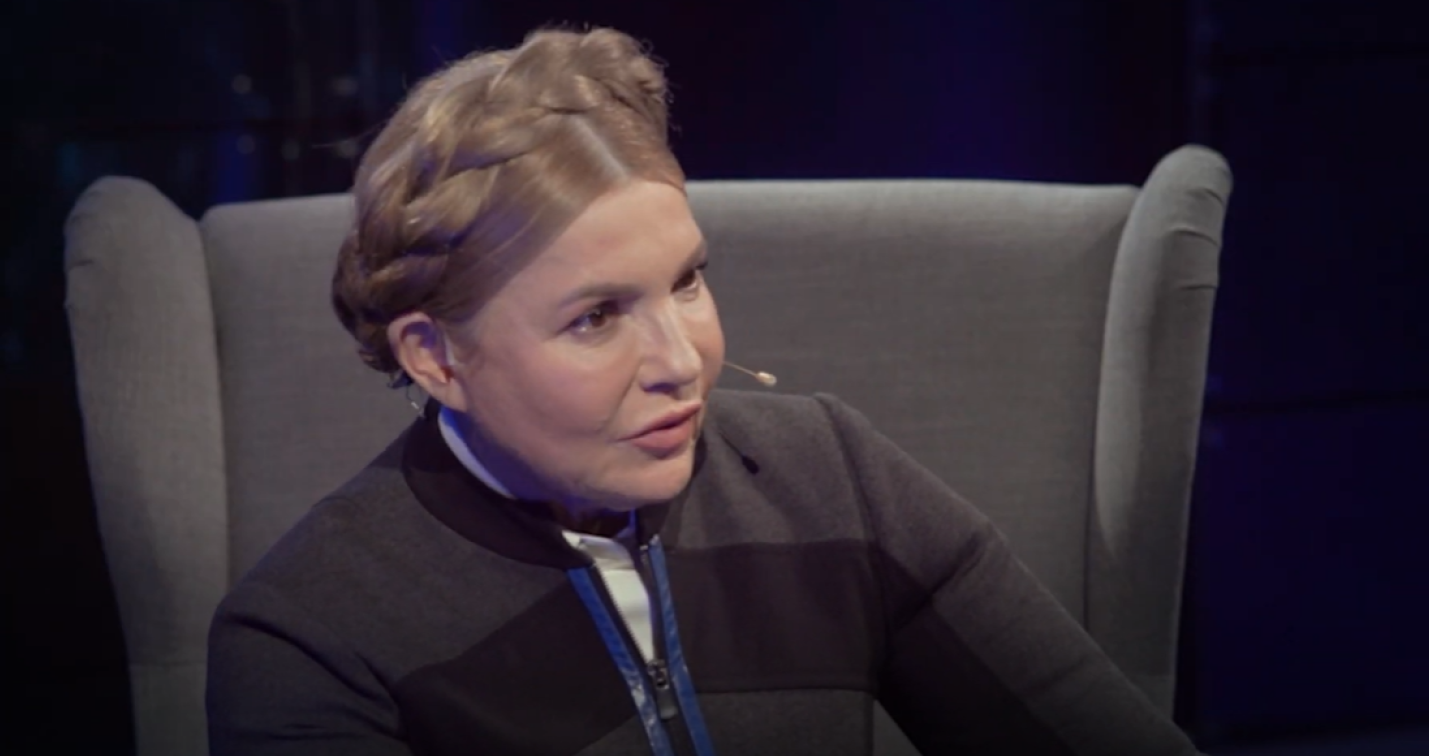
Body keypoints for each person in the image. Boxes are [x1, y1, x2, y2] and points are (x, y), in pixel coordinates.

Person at [206, 26, 1202, 756]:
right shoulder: (311, 634)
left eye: (685, 282)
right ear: (435, 358)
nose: (682, 360)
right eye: (597, 317)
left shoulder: (831, 475)